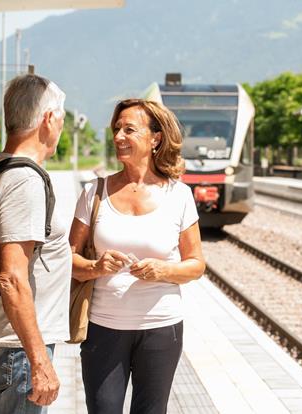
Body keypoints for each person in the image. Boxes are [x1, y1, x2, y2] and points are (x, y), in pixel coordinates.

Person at [70, 98, 205, 414]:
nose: (118, 136)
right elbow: (68, 258)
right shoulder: (94, 193)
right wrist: (95, 266)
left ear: (155, 138)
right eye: (116, 129)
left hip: (162, 328)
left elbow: (196, 264)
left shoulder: (178, 195)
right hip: (103, 328)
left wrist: (163, 271)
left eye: (129, 129)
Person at [0, 74, 71, 413]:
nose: (62, 125)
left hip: (5, 342)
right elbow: (12, 278)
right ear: (48, 119)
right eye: (62, 117)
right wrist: (39, 359)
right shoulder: (24, 181)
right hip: (17, 346)